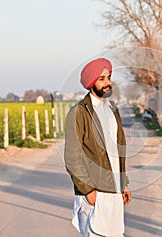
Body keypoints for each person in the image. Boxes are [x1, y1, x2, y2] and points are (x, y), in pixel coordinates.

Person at [64, 58, 131, 237]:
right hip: (93, 191)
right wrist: (87, 190)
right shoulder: (78, 113)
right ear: (91, 82)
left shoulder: (112, 109)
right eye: (102, 79)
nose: (108, 83)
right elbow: (72, 157)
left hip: (114, 189)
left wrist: (123, 183)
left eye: (108, 77)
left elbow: (118, 151)